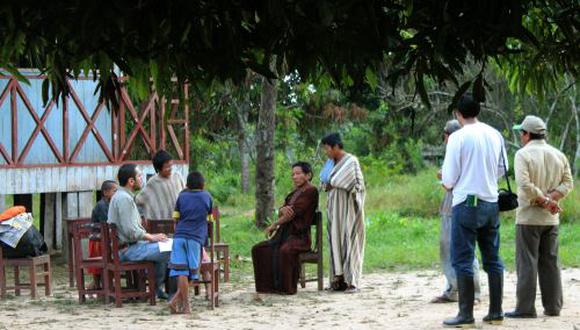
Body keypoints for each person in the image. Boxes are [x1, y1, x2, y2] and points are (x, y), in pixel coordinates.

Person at [441, 94, 507, 327]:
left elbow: (448, 179)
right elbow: (502, 169)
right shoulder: (495, 134)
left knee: (463, 259)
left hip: (466, 202)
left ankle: (466, 315)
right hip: (491, 202)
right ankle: (496, 312)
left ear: (458, 114)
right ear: (478, 111)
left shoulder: (458, 138)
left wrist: (458, 182)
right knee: (493, 259)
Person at [505, 116, 574, 319]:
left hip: (528, 218)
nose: (520, 136)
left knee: (527, 262)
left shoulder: (522, 154)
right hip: (550, 220)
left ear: (527, 134)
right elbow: (568, 183)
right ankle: (553, 307)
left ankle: (525, 308)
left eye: (521, 133)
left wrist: (543, 200)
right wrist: (551, 199)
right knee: (550, 262)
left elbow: (524, 185)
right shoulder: (559, 154)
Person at [431, 120, 481, 304]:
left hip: (460, 201)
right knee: (450, 248)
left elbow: (448, 178)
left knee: (464, 248)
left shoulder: (463, 149)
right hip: (452, 203)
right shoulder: (457, 148)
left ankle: (473, 292)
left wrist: (442, 174)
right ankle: (453, 289)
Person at [252, 162, 319, 295]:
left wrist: (274, 224)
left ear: (308, 175)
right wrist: (282, 209)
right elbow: (284, 210)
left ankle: (286, 288)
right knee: (259, 249)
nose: (294, 177)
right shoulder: (295, 192)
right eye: (293, 174)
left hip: (299, 237)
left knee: (285, 250)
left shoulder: (311, 191)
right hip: (285, 235)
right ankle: (268, 287)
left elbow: (292, 213)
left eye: (298, 173)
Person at [107, 164, 171, 299]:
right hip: (127, 250)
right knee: (171, 249)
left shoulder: (123, 196)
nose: (142, 179)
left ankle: (157, 288)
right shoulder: (124, 199)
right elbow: (131, 232)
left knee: (166, 245)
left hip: (131, 246)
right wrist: (151, 237)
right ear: (131, 181)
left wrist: (153, 237)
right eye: (139, 176)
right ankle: (172, 291)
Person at [321, 133, 366, 294]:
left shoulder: (351, 161)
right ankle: (338, 280)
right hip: (334, 208)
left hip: (349, 209)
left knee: (350, 241)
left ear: (335, 147)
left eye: (327, 149)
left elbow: (347, 181)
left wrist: (331, 183)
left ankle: (352, 281)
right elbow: (324, 181)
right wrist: (329, 184)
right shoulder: (330, 162)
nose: (326, 152)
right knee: (335, 241)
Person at [168, 171, 213, 314]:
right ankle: (177, 302)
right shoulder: (207, 197)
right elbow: (210, 221)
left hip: (179, 237)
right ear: (203, 185)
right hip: (195, 238)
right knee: (194, 273)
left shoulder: (181, 197)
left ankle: (183, 304)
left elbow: (175, 219)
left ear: (187, 184)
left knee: (181, 271)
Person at [136, 150, 185, 222]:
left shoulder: (177, 177)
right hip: (161, 223)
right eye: (167, 167)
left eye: (171, 165)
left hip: (180, 220)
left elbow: (185, 194)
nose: (170, 169)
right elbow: (139, 199)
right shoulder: (153, 182)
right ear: (158, 169)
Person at [87, 180, 117, 289]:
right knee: (98, 266)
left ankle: (105, 284)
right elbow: (107, 224)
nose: (116, 193)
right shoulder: (102, 205)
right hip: (98, 239)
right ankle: (98, 285)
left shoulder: (111, 204)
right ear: (105, 192)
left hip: (107, 238)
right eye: (115, 191)